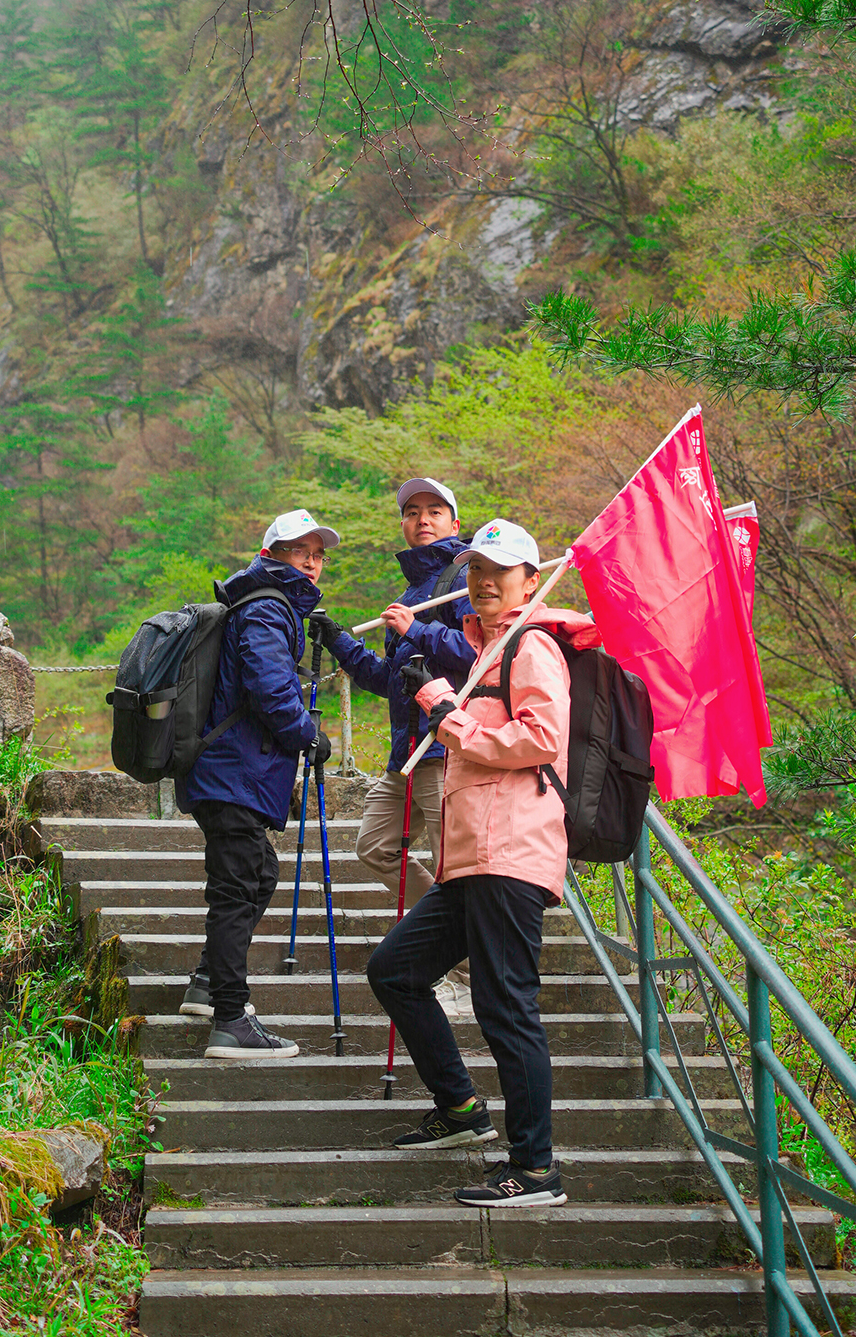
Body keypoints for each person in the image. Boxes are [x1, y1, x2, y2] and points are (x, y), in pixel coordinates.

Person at [367, 518, 599, 1209]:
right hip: (471, 861)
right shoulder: (491, 650)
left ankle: (534, 1168)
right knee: (395, 970)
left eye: (501, 569)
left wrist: (448, 714)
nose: (484, 581)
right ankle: (462, 1107)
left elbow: (541, 737)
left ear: (532, 578)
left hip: (511, 854)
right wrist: (444, 697)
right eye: (474, 569)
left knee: (506, 1006)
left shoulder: (532, 645)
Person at [309, 477, 476, 1015]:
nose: (422, 520)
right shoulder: (409, 595)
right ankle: (453, 950)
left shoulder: (471, 578)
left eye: (434, 511)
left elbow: (482, 656)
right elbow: (388, 679)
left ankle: (465, 972)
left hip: (446, 747)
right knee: (376, 846)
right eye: (412, 512)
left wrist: (419, 632)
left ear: (455, 522)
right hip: (404, 753)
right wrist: (339, 640)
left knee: (455, 866)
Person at [178, 508, 338, 1060]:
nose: (312, 563)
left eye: (317, 555)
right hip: (233, 773)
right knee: (239, 888)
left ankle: (207, 983)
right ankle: (230, 1020)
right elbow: (270, 687)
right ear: (273, 555)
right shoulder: (268, 608)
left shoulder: (261, 604)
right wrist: (307, 734)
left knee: (258, 874)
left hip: (230, 773)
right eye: (301, 552)